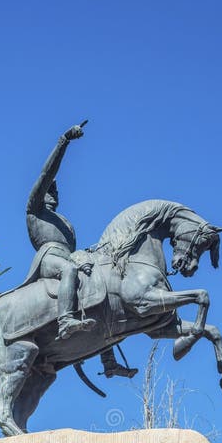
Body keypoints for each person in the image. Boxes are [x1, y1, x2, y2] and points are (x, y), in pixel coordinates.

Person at [25, 123, 137, 377]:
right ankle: (65, 321)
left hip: (69, 257)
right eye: (49, 190)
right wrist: (64, 141)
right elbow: (46, 173)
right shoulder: (34, 210)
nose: (53, 193)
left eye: (56, 190)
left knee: (105, 292)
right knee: (69, 271)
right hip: (49, 258)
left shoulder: (66, 223)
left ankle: (108, 361)